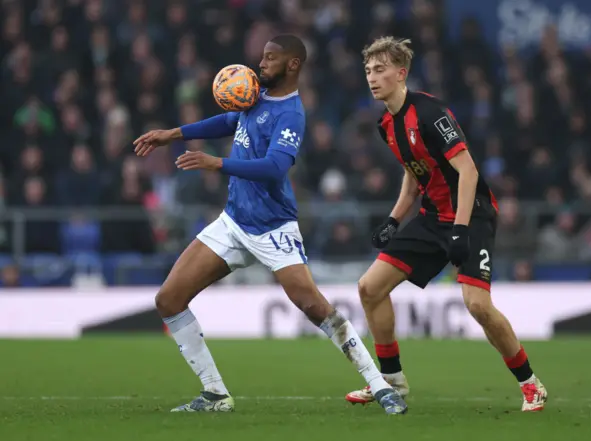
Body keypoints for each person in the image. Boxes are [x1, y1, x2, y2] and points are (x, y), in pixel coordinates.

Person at [133, 35, 407, 415]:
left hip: (273, 228)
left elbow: (276, 167)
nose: (261, 63)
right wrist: (174, 134)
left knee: (313, 306)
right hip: (233, 221)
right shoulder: (254, 96)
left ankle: (380, 386)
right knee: (168, 299)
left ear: (292, 64)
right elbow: (229, 120)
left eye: (270, 58)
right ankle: (215, 394)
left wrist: (217, 164)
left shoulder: (291, 113)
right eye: (262, 56)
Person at [344, 36, 547, 412]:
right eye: (368, 70)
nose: (372, 77)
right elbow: (414, 175)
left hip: (472, 214)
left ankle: (530, 383)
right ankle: (391, 381)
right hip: (432, 218)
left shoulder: (430, 113)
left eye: (381, 69)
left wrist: (461, 229)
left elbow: (467, 172)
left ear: (401, 73)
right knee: (370, 287)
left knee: (477, 305)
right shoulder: (387, 124)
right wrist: (393, 219)